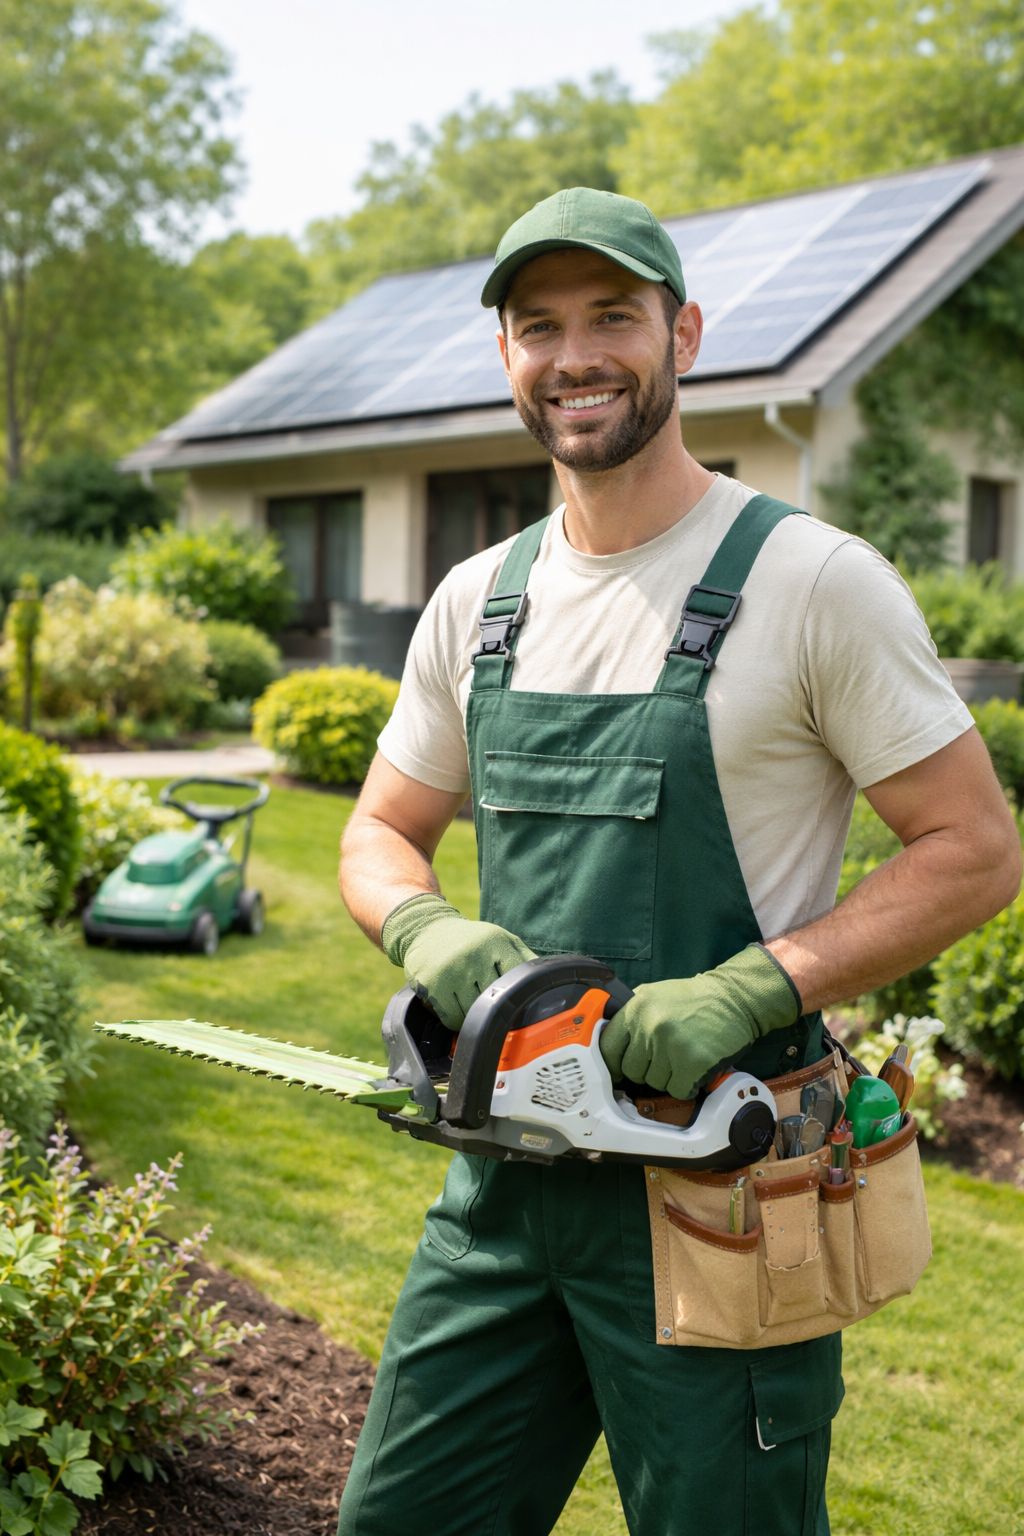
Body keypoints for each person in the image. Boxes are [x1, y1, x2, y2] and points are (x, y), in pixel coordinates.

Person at [337, 187, 1019, 1536]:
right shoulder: (482, 599)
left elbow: (975, 848)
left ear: (685, 334)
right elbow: (375, 832)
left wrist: (748, 989)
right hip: (507, 1190)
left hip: (725, 1196)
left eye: (613, 317)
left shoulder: (813, 583)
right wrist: (426, 933)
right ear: (507, 359)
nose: (575, 353)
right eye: (541, 325)